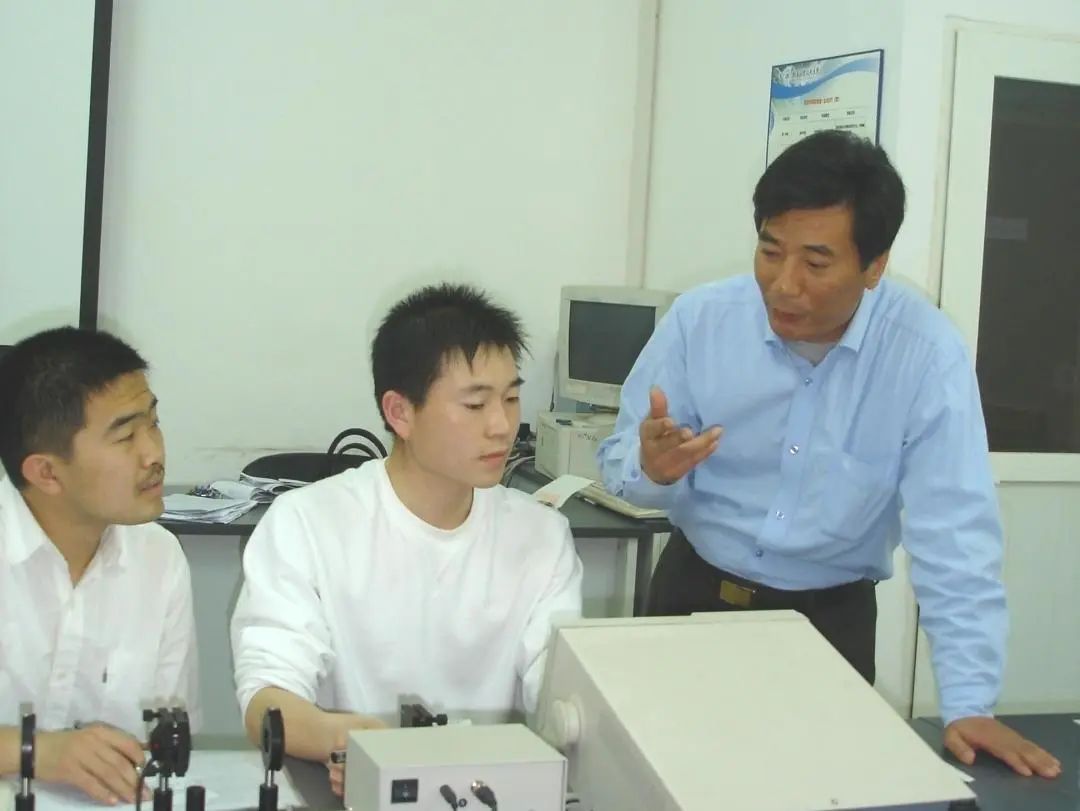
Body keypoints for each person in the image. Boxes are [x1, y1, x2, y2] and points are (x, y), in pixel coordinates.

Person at [598, 130, 1060, 778]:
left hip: (827, 626)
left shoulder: (924, 355)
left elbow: (955, 536)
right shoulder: (701, 321)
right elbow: (619, 460)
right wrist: (651, 469)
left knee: (820, 790)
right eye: (770, 251)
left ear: (874, 266)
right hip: (692, 597)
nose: (783, 284)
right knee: (662, 783)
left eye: (815, 263)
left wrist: (968, 702)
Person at [231, 283, 583, 796]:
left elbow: (564, 702)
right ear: (400, 412)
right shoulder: (306, 524)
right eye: (475, 404)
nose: (502, 426)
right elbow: (267, 698)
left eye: (511, 398)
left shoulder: (541, 538)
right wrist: (351, 742)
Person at [0, 327, 200, 803]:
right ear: (47, 472)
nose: (154, 453)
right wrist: (35, 751)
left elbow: (170, 736)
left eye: (153, 423)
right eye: (126, 436)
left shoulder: (159, 558)